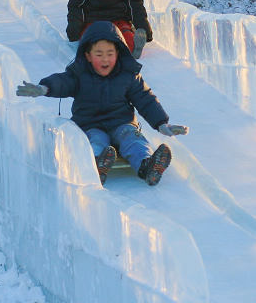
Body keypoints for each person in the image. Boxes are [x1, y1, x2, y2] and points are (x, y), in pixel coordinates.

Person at [16, 21, 188, 186]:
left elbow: (146, 99)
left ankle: (147, 165)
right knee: (96, 141)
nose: (105, 59)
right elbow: (62, 82)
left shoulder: (128, 74)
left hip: (121, 123)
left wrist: (162, 124)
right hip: (90, 124)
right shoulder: (79, 74)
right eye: (99, 54)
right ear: (88, 56)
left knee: (133, 139)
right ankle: (98, 164)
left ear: (118, 53)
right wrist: (44, 88)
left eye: (110, 54)